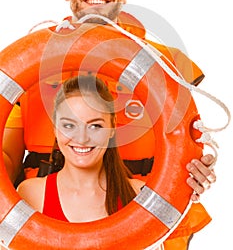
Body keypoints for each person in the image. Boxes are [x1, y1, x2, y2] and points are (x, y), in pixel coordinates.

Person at [4, 0, 215, 249]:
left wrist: (196, 171)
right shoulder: (27, 64)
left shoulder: (165, 65)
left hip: (139, 220)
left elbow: (183, 145)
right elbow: (6, 155)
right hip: (44, 220)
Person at [16, 75, 191, 250]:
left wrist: (191, 185)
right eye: (69, 125)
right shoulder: (31, 193)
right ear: (55, 128)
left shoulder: (138, 194)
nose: (82, 138)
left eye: (95, 126)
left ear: (112, 128)